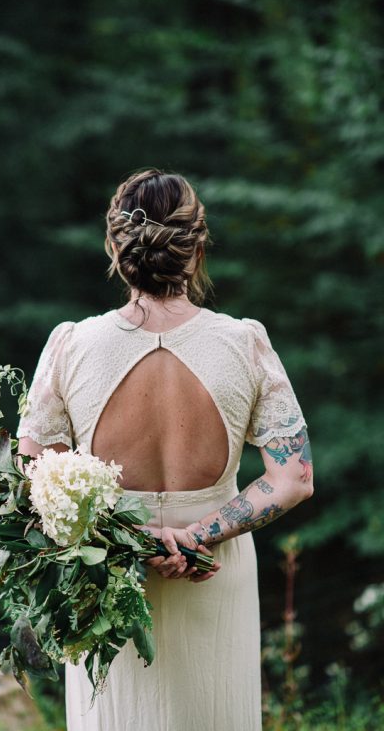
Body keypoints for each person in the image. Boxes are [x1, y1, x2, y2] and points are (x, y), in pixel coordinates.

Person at [16, 168, 314, 731]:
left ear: (115, 246)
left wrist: (133, 539)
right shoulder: (244, 343)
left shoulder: (72, 345)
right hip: (212, 568)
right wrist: (193, 538)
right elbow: (293, 476)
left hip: (109, 578)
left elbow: (32, 477)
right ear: (197, 248)